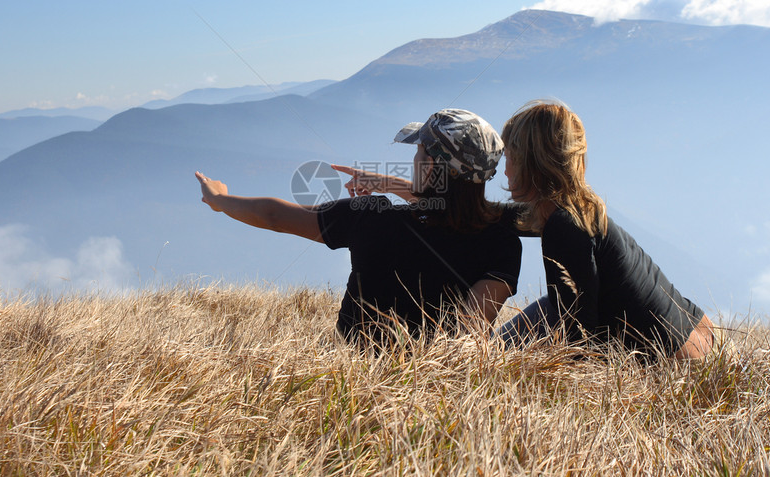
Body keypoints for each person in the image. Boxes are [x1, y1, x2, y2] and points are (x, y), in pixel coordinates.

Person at [196, 108, 522, 347]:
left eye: (419, 151)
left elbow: (274, 216)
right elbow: (468, 333)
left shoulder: (370, 218)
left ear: (431, 164)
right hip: (437, 383)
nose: (414, 158)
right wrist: (390, 184)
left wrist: (219, 199)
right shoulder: (503, 240)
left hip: (352, 375)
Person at [495, 99, 714, 359]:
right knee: (544, 313)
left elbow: (578, 337)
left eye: (510, 157)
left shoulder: (564, 228)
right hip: (701, 332)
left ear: (532, 164)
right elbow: (511, 217)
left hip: (681, 358)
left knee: (500, 353)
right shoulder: (577, 209)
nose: (505, 170)